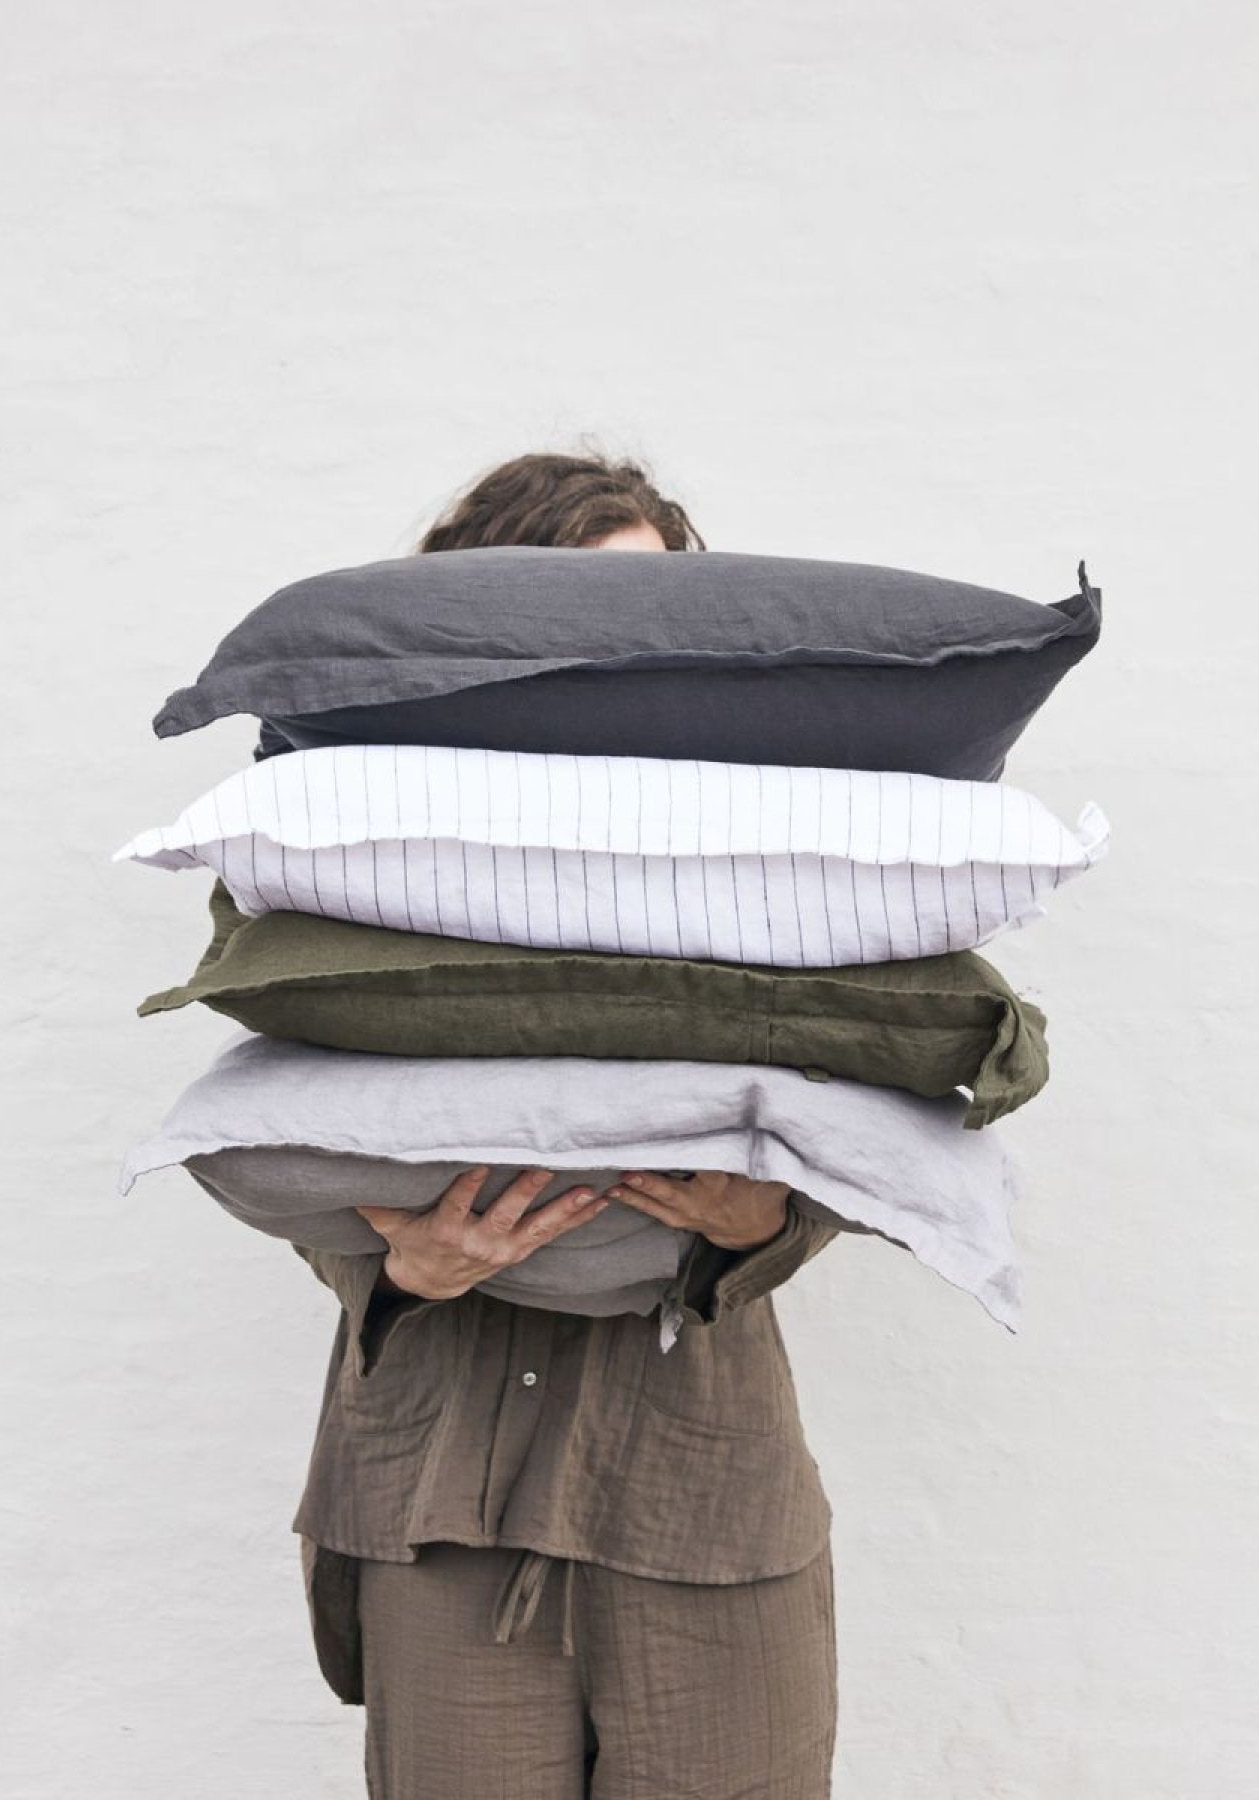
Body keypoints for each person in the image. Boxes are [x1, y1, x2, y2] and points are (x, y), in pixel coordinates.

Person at [288, 453, 840, 1799]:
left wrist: (767, 1222)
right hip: (440, 1493)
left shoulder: (757, 847)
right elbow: (304, 1099)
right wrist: (394, 1267)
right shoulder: (378, 840)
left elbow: (851, 1092)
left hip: (702, 1494)